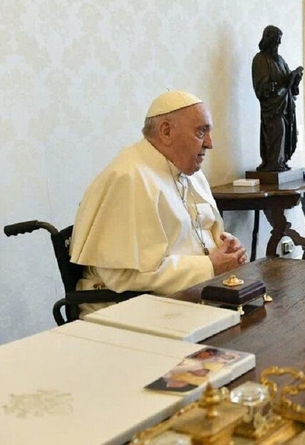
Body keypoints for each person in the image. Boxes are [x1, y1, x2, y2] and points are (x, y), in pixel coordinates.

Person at [70, 90, 248, 314]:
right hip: (127, 308)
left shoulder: (190, 173)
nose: (210, 143)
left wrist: (226, 249)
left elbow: (195, 233)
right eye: (201, 132)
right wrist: (210, 266)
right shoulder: (130, 178)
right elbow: (122, 277)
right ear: (166, 131)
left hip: (189, 296)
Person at [252, 25, 303, 172]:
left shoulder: (280, 60)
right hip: (273, 108)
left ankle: (281, 162)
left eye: (280, 40)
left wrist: (295, 79)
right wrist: (278, 85)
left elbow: (289, 83)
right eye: (276, 40)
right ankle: (273, 164)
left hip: (286, 105)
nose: (279, 43)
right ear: (269, 40)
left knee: (287, 134)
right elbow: (261, 88)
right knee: (277, 131)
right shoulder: (260, 59)